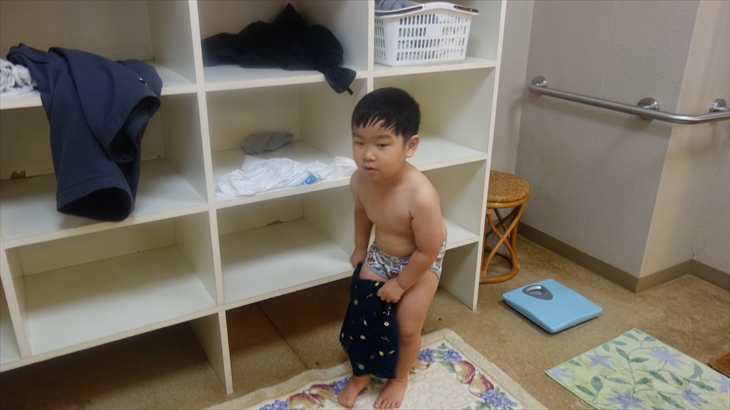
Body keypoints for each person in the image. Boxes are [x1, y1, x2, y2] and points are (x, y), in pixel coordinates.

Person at [337, 87, 447, 409]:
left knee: (406, 327)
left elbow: (428, 250)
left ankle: (399, 379)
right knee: (361, 315)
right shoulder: (359, 180)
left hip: (421, 259)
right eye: (359, 142)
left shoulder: (421, 195)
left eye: (382, 144)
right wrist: (361, 247)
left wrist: (400, 284)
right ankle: (361, 374)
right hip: (382, 254)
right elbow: (362, 213)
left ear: (409, 146)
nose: (367, 154)